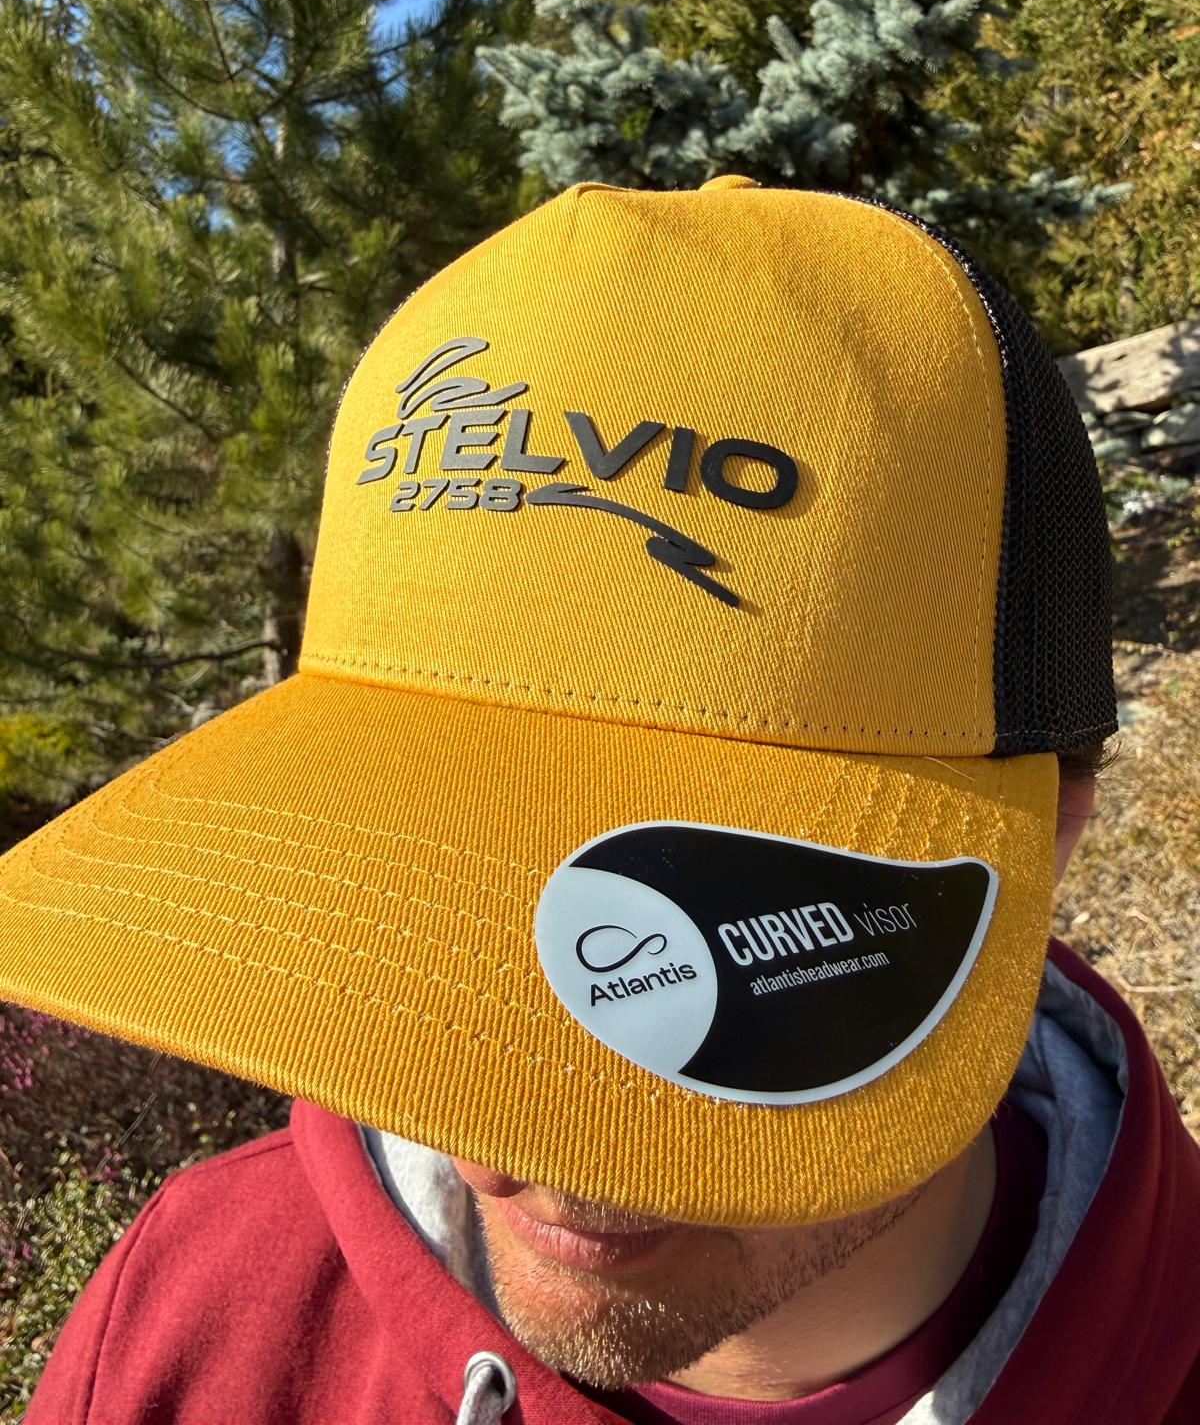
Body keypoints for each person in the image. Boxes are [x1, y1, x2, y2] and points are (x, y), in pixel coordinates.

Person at [3, 178, 1197, 1425]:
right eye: (423, 893)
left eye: (694, 919)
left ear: (1052, 838)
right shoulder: (196, 1322)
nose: (496, 1152)